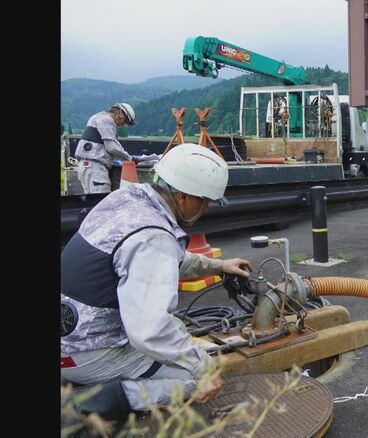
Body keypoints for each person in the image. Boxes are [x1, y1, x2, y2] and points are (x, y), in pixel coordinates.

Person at [60, 143, 252, 425]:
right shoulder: (154, 238)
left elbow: (163, 258)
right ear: (184, 197)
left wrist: (217, 265)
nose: (207, 208)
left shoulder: (127, 201)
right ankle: (92, 402)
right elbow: (149, 331)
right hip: (86, 353)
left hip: (72, 336)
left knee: (175, 344)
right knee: (194, 380)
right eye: (205, 201)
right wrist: (204, 368)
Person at [74, 102, 137, 194]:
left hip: (85, 166)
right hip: (96, 168)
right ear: (120, 113)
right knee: (101, 201)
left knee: (91, 202)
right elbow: (111, 147)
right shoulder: (107, 121)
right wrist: (129, 158)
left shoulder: (96, 117)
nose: (123, 124)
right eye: (125, 121)